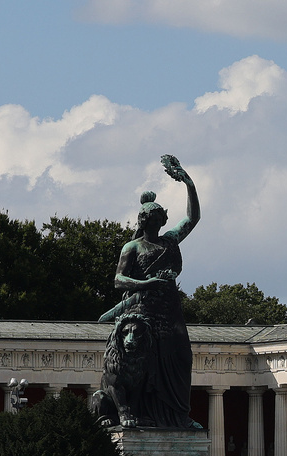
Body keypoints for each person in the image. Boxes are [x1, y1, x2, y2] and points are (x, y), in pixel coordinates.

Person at [97, 155, 200, 429]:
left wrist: (188, 182)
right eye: (151, 219)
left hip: (170, 310)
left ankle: (177, 416)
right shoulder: (132, 248)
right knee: (144, 365)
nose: (156, 223)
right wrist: (146, 284)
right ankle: (147, 415)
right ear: (143, 221)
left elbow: (193, 217)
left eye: (159, 219)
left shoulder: (170, 241)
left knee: (181, 358)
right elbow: (119, 280)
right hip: (141, 313)